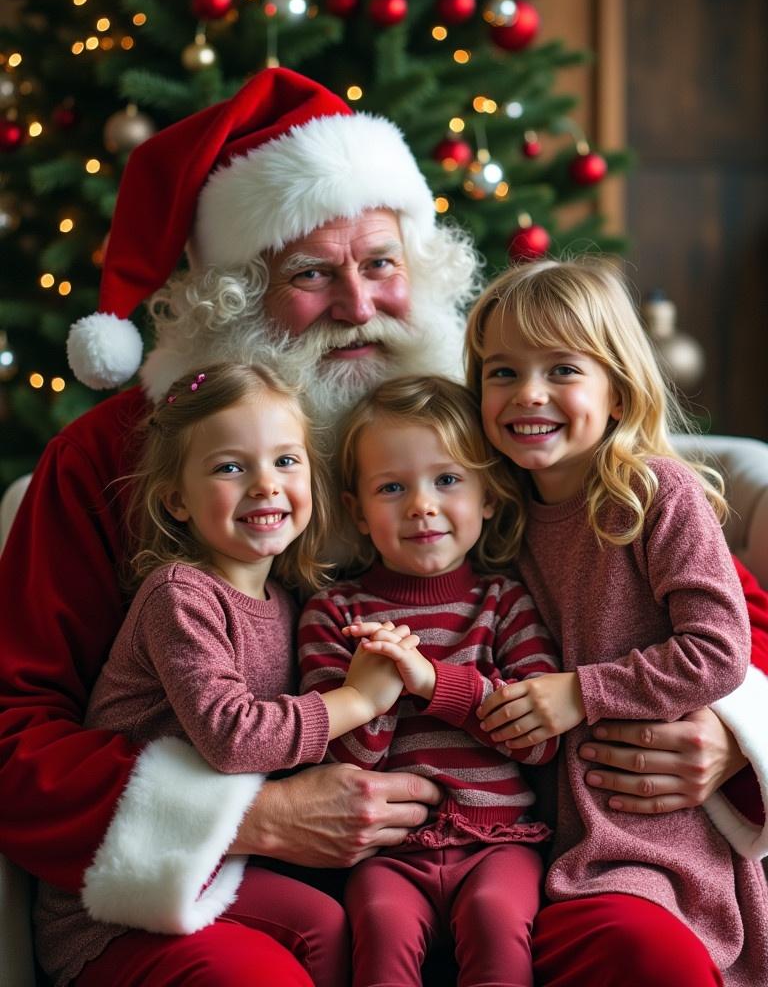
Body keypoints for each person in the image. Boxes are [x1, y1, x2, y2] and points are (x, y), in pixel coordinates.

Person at [0, 67, 766, 983]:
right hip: (217, 885)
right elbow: (15, 726)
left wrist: (730, 738)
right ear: (236, 294)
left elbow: (730, 620)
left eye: (382, 265)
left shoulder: (488, 435)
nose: (360, 307)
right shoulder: (120, 457)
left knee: (640, 959)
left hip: (522, 859)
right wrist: (250, 818)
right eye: (313, 274)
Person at [34, 361, 413, 987]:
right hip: (124, 892)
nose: (265, 485)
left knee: (327, 924)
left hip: (215, 864)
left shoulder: (286, 601)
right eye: (230, 467)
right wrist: (357, 700)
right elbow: (234, 738)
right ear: (175, 498)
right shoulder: (180, 596)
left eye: (286, 462)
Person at [465, 256, 768, 986]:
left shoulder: (655, 495)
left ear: (618, 389)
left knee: (645, 950)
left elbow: (718, 651)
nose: (527, 394)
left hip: (647, 834)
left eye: (562, 369)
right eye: (501, 373)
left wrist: (580, 692)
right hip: (525, 835)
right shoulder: (488, 514)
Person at [299, 374, 559, 986]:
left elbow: (539, 739)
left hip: (500, 841)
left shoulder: (506, 603)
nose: (421, 504)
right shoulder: (336, 614)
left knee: (498, 923)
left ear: (488, 495)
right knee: (382, 929)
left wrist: (430, 680)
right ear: (357, 512)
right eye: (392, 487)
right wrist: (376, 693)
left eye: (447, 480)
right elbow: (336, 758)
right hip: (388, 854)